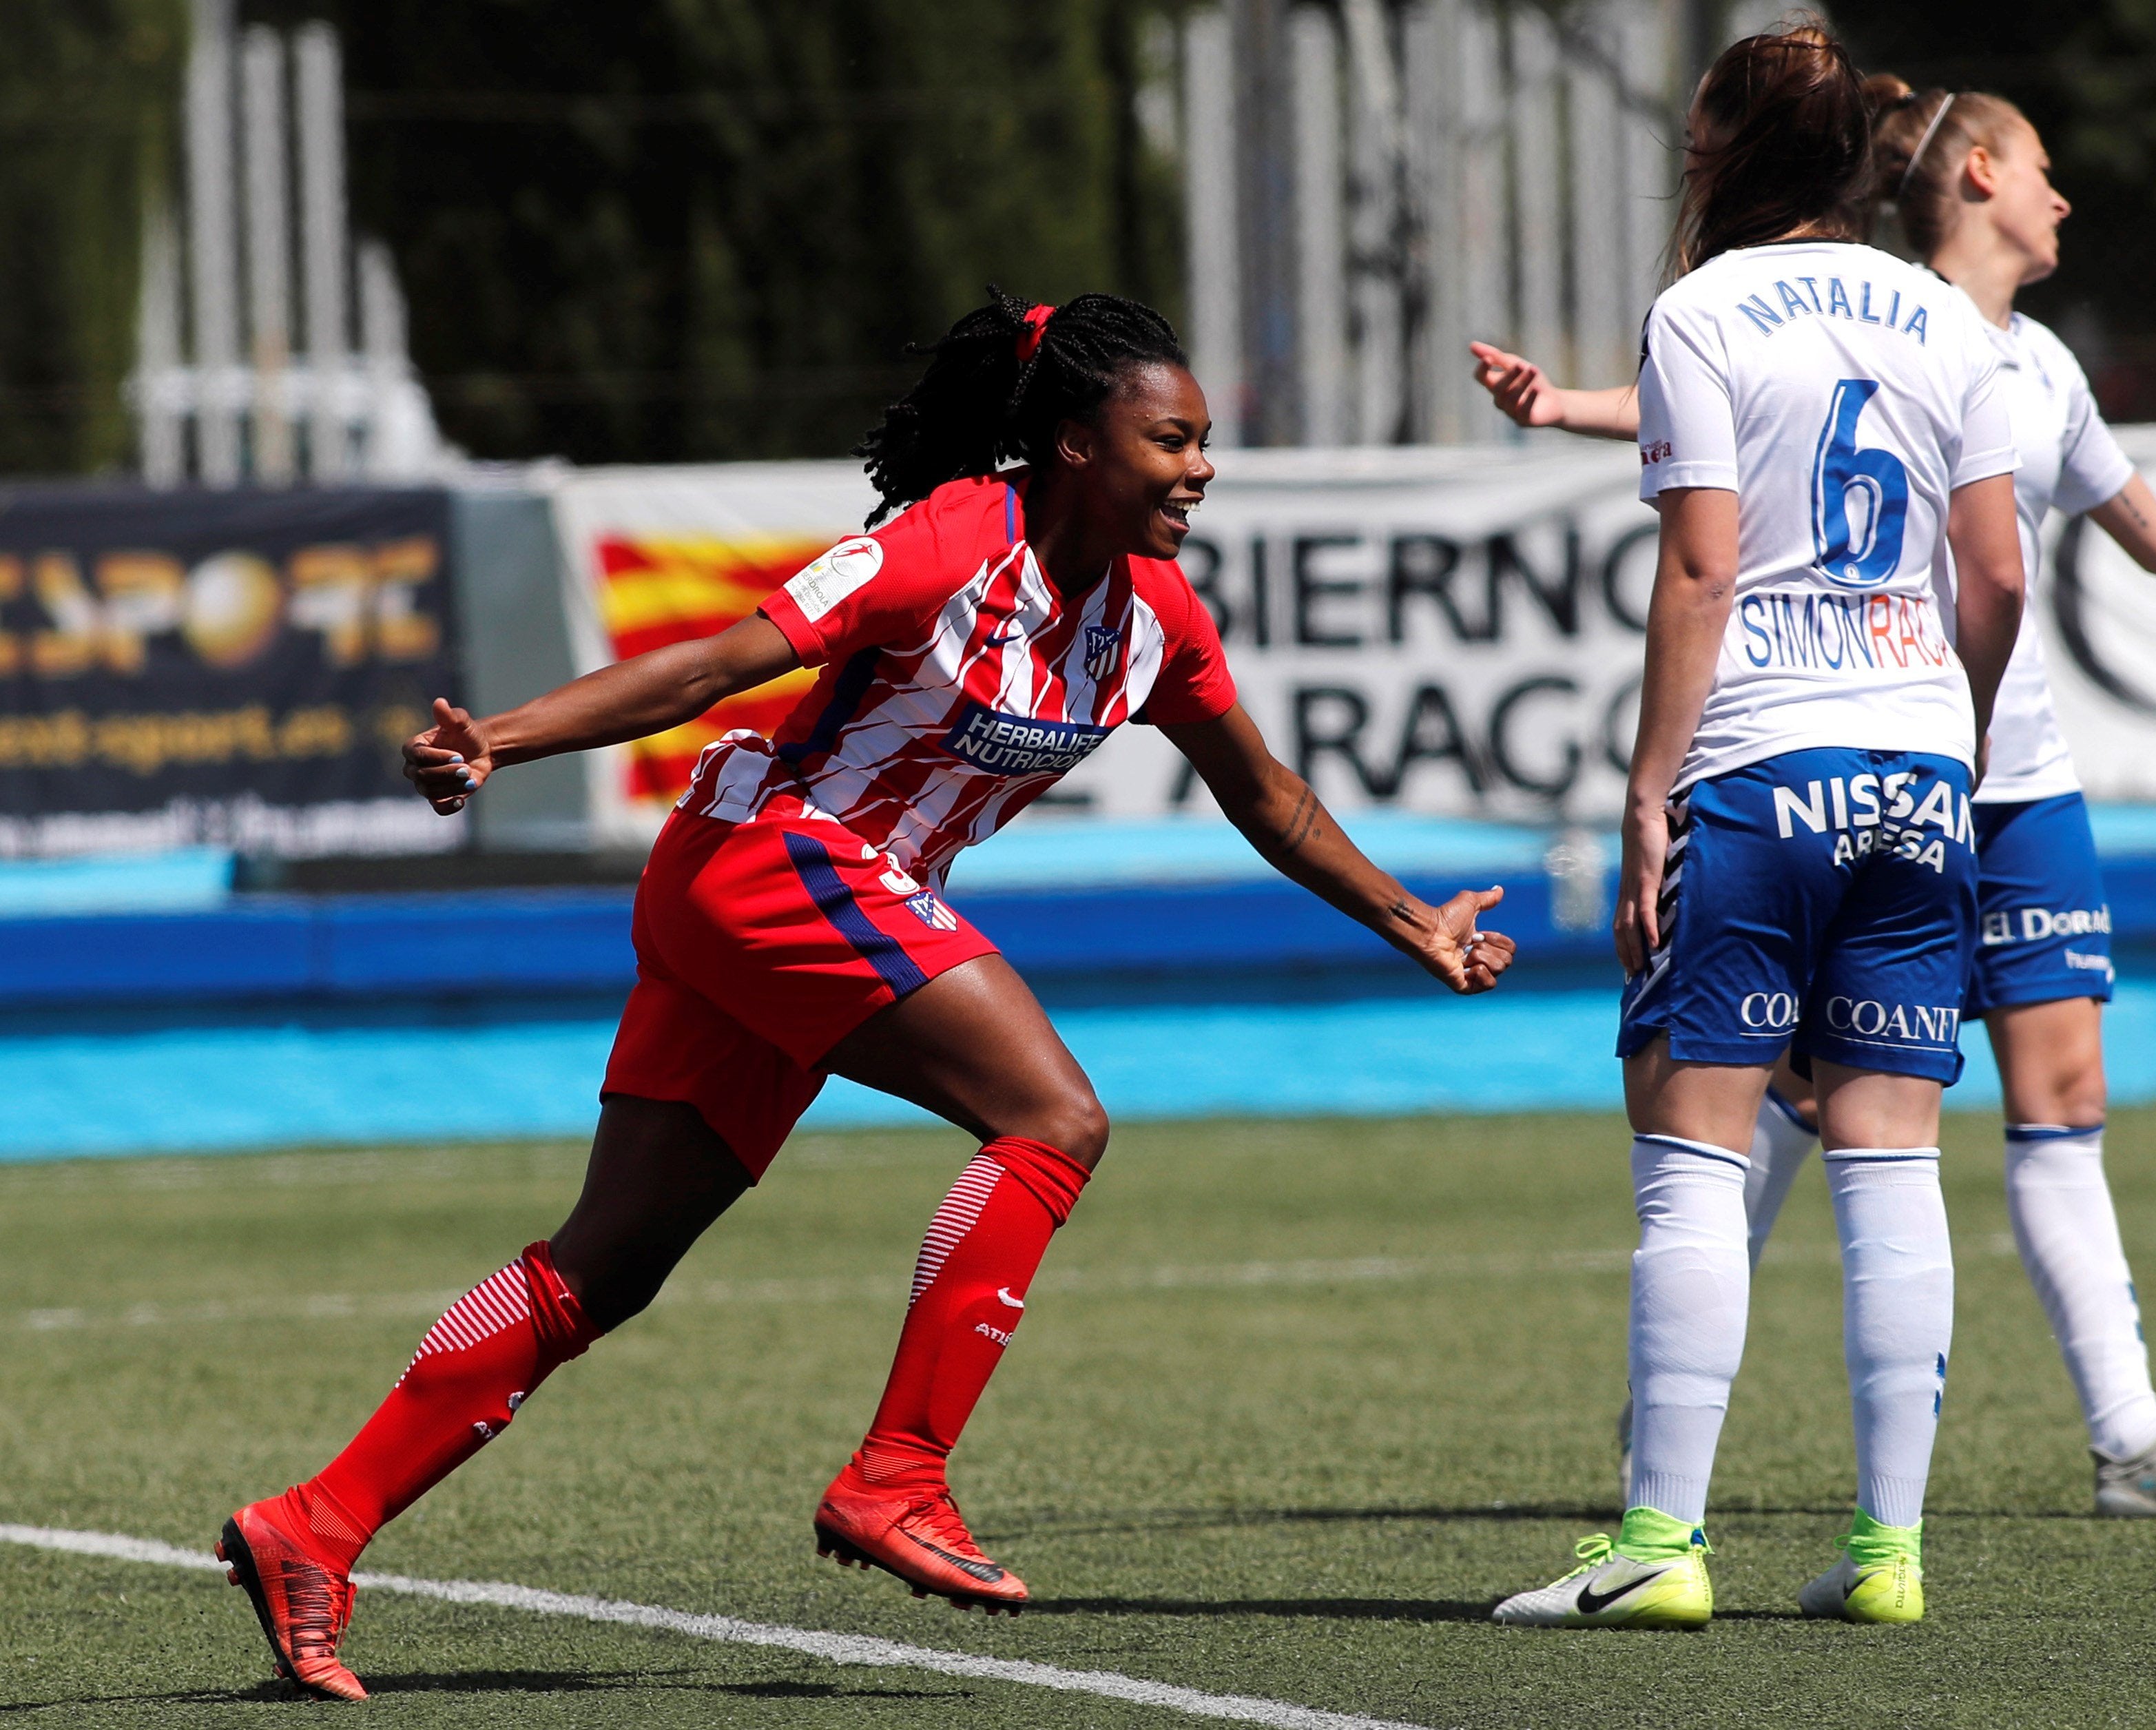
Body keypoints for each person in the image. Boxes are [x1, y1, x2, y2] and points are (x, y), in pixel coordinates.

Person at [216, 290, 1517, 1701]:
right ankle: (896, 1474)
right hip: (771, 861)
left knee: (608, 1263)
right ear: (1075, 443)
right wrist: (502, 743)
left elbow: (1264, 795)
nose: (1200, 466)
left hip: (792, 896)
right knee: (1052, 1117)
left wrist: (1413, 926)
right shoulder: (951, 539)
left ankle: (313, 1524)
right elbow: (721, 662)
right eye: (1171, 439)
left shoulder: (1154, 615)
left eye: (1203, 443)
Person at [1471, 75, 2156, 1535]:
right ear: (1982, 172)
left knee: (2048, 1100)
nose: (2063, 197)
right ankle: (1708, 1443)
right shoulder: (1899, 315)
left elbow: (2147, 528)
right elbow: (1750, 422)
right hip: (1916, 758)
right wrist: (1573, 410)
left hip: (2000, 777)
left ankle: (2124, 1431)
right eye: (2045, 169)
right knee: (1799, 1110)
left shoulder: (2031, 361)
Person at [1489, 24, 2027, 1632]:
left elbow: (1703, 570)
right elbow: (1993, 576)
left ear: (1719, 151)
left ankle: (1660, 1541)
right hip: (1918, 766)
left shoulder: (1700, 309)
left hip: (1758, 765)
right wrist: (1955, 744)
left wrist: (1650, 790)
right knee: (1891, 1157)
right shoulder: (1945, 315)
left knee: (1686, 1148)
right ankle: (1888, 1557)